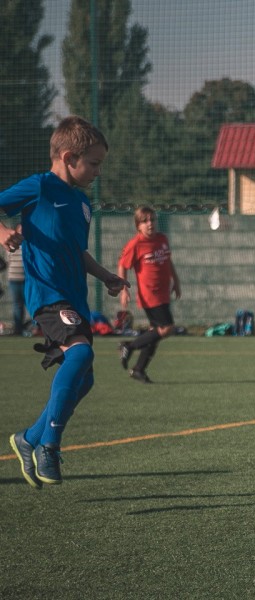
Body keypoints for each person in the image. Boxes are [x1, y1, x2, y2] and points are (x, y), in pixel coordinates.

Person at [1, 116, 128, 488]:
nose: (98, 172)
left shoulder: (82, 203)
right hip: (47, 295)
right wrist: (4, 231)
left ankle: (29, 438)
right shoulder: (40, 186)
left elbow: (78, 252)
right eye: (94, 163)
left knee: (84, 379)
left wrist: (106, 276)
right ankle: (49, 445)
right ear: (69, 157)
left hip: (74, 298)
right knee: (82, 353)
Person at [117, 206, 182, 383]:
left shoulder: (162, 239)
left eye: (152, 220)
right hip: (150, 294)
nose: (150, 224)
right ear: (138, 226)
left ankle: (139, 369)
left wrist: (176, 281)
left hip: (163, 292)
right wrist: (124, 290)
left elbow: (168, 261)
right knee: (167, 328)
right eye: (145, 221)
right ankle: (129, 345)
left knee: (156, 332)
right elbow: (123, 265)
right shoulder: (135, 244)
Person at [4, 246, 28, 335]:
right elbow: (7, 260)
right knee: (17, 304)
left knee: (30, 303)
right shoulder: (9, 246)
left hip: (27, 279)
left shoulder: (27, 245)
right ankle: (18, 328)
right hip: (14, 279)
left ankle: (36, 327)